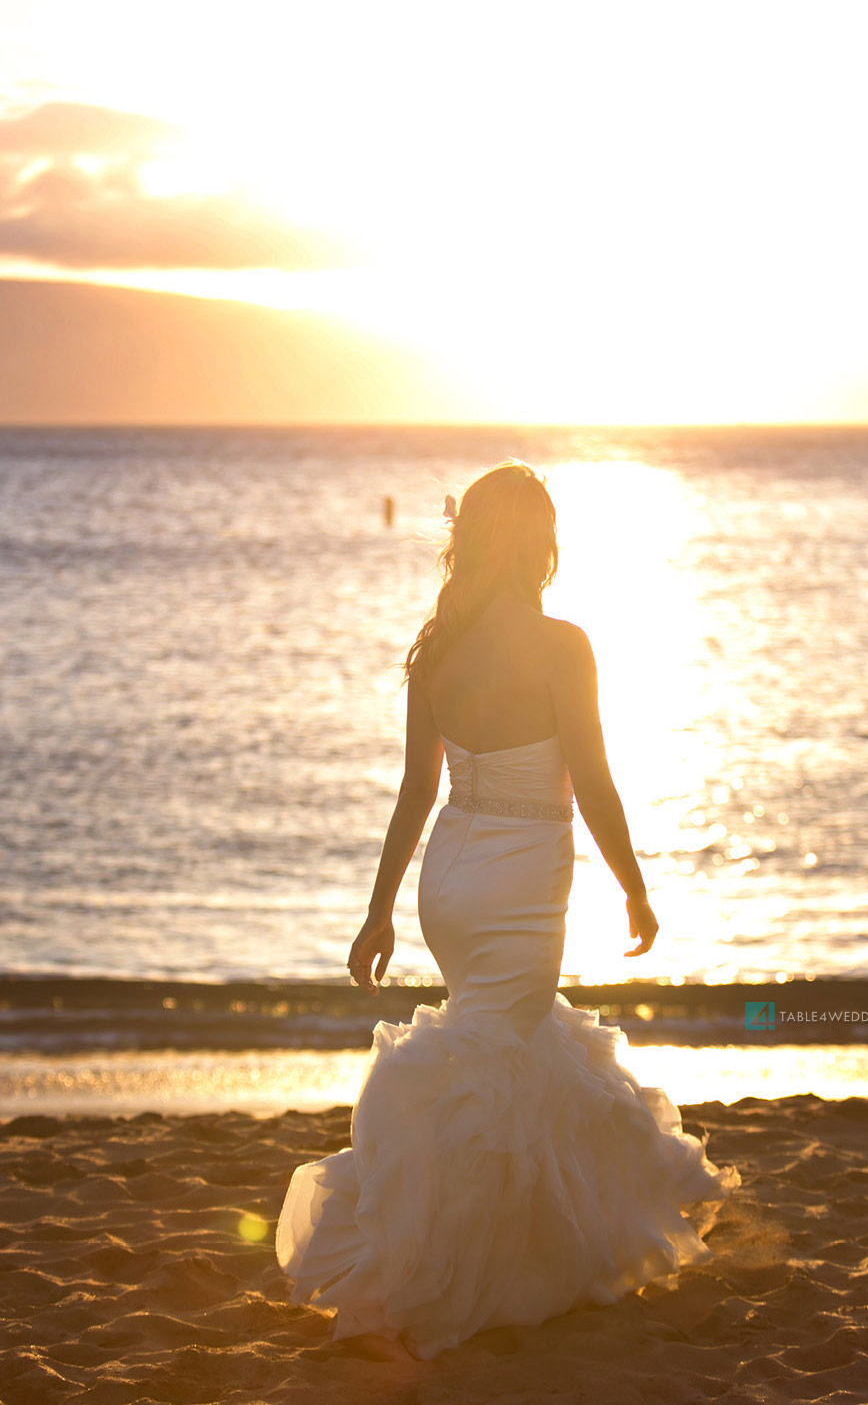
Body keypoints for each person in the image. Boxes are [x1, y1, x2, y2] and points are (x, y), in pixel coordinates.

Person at [275, 459, 740, 1360]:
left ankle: (495, 1243)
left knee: (494, 1046)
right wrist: (634, 884)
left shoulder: (438, 648)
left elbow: (415, 792)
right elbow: (594, 780)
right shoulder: (563, 645)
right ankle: (466, 1266)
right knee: (497, 1052)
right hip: (526, 874)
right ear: (539, 543)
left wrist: (380, 914)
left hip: (449, 876)